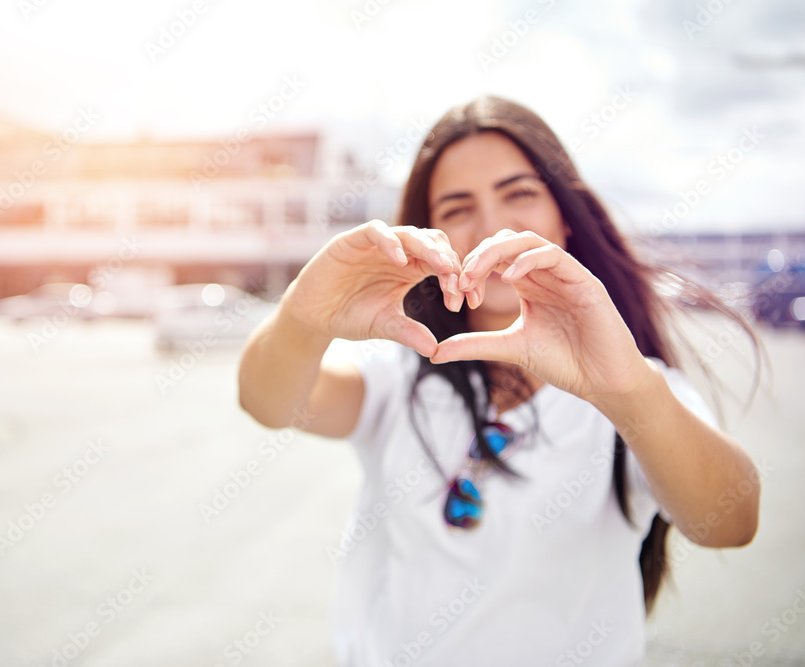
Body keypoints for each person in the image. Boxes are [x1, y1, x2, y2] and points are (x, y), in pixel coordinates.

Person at [237, 96, 760, 665]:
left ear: (565, 216)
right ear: (429, 235)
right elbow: (270, 401)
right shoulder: (403, 371)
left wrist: (628, 392)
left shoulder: (636, 392)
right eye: (458, 208)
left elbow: (730, 521)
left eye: (520, 194)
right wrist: (302, 317)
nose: (493, 226)